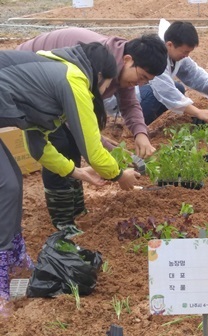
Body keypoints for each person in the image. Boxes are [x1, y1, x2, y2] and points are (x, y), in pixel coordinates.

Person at [0, 42, 140, 315]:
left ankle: (14, 258)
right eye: (107, 86)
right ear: (99, 76)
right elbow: (93, 150)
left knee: (11, 182)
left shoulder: (53, 78)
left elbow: (37, 146)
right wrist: (119, 174)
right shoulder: (73, 78)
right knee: (7, 185)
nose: (103, 94)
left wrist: (77, 173)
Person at [17, 28, 168, 235]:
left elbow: (129, 102)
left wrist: (141, 133)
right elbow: (82, 131)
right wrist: (117, 167)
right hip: (30, 70)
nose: (140, 84)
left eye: (146, 81)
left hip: (56, 81)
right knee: (60, 144)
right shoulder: (98, 67)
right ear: (128, 59)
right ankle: (62, 219)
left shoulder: (121, 65)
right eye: (141, 77)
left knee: (71, 143)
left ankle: (76, 207)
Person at [138, 20, 208, 125]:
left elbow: (192, 73)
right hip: (128, 97)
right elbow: (165, 91)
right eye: (185, 51)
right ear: (170, 45)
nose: (187, 55)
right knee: (153, 94)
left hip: (142, 92)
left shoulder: (173, 52)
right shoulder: (155, 56)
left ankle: (144, 123)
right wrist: (197, 112)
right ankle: (135, 125)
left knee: (178, 88)